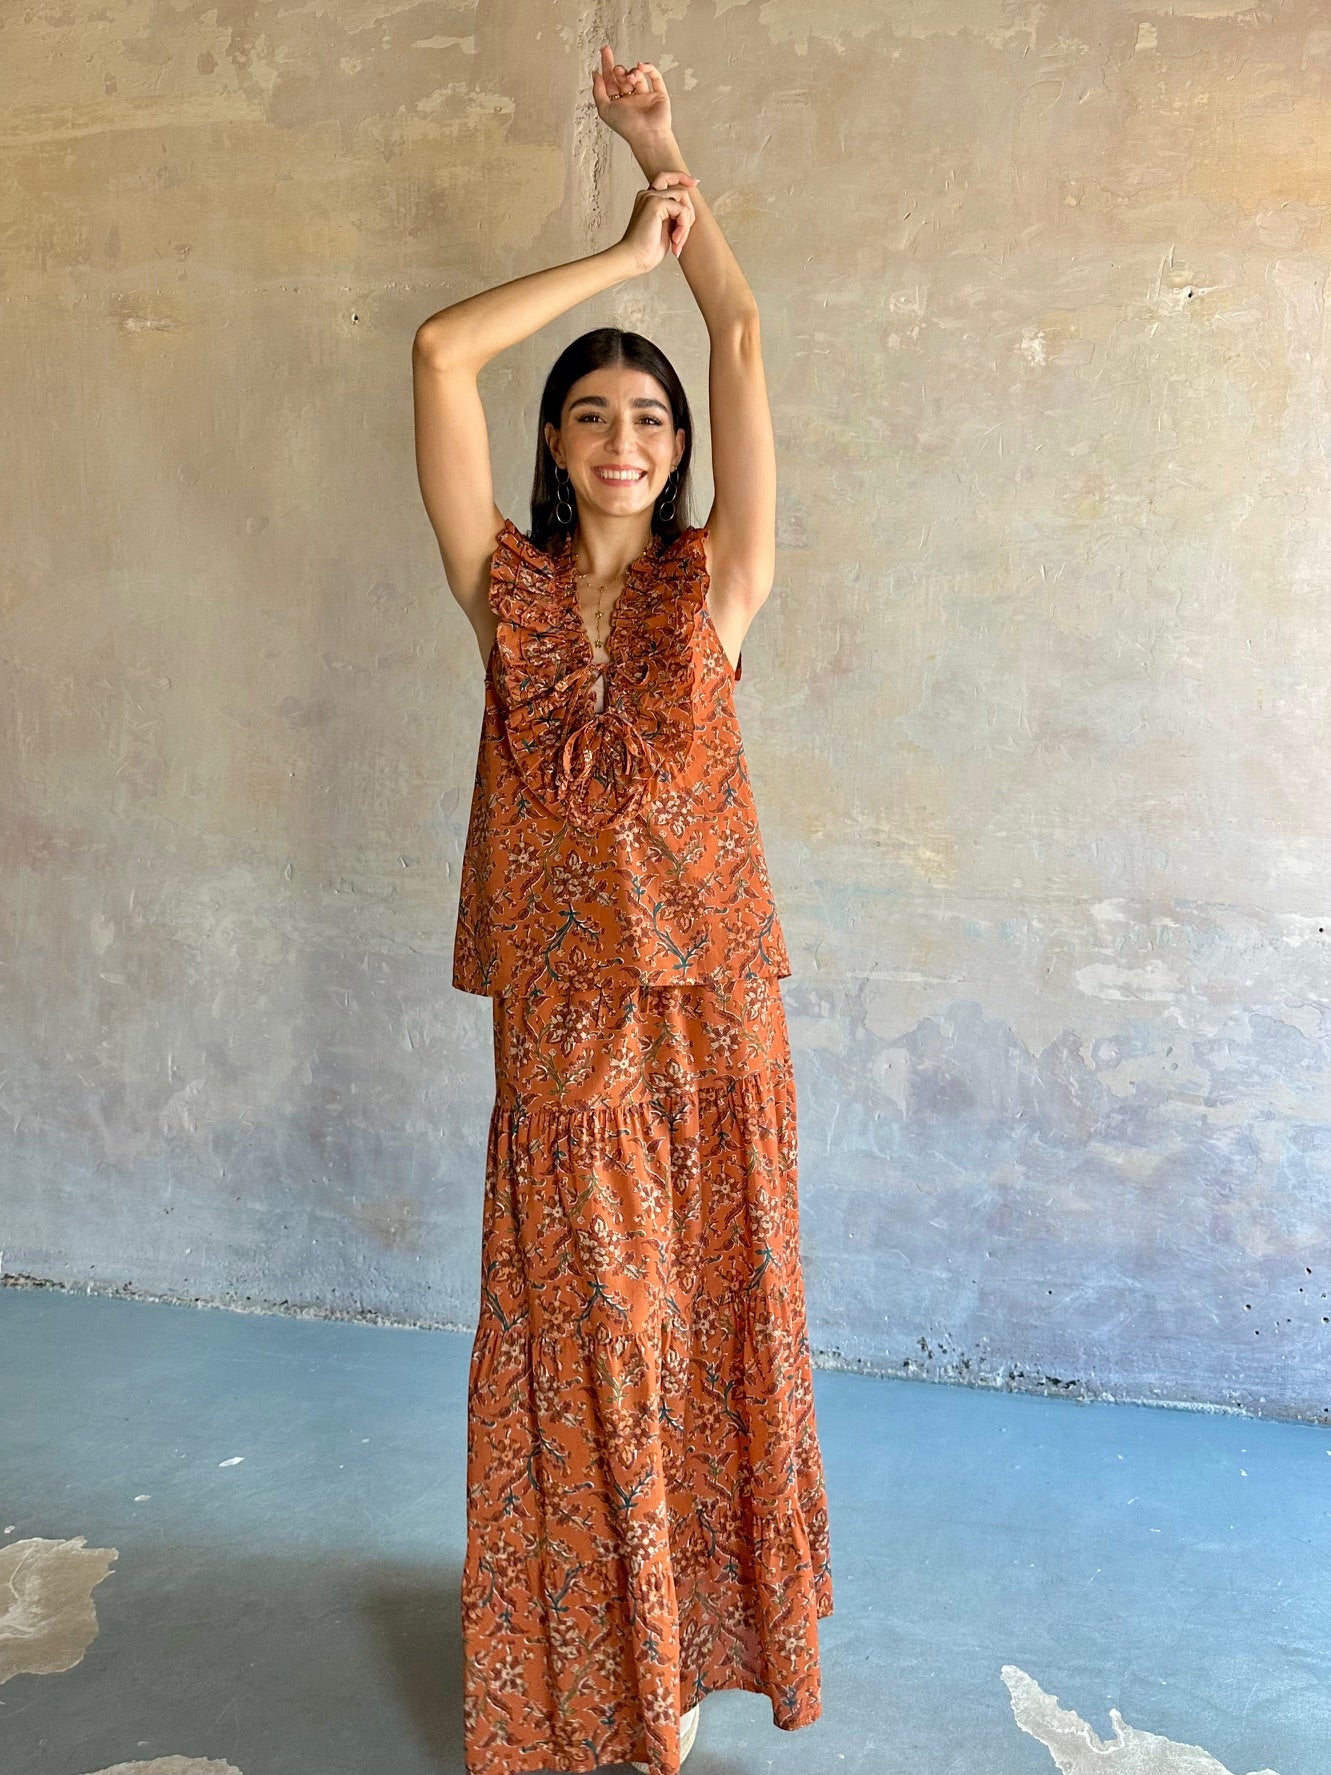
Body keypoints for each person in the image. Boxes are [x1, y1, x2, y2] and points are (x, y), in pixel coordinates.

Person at [412, 46, 833, 1775]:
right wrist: (611, 262)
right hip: (568, 1022)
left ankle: (674, 1671)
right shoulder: (501, 593)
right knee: (593, 1331)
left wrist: (663, 154)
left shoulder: (716, 588)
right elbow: (440, 353)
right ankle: (606, 1654)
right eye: (591, 414)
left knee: (702, 1326)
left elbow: (738, 331)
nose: (625, 440)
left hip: (714, 1013)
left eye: (649, 420)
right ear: (554, 443)